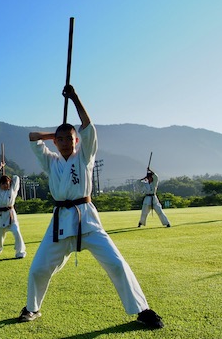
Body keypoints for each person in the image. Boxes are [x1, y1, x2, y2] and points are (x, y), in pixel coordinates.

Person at [18, 85, 164, 329]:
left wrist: (75, 98)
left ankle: (142, 310)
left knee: (117, 264)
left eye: (70, 139)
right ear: (55, 143)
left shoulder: (84, 156)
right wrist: (54, 134)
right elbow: (32, 136)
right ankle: (32, 308)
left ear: (77, 141)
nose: (66, 143)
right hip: (60, 223)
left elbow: (87, 126)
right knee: (37, 269)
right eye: (61, 140)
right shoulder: (50, 161)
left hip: (87, 220)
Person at [0, 161, 26, 258]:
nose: (6, 185)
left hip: (11, 215)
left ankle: (20, 251)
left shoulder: (12, 189)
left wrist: (8, 172)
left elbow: (16, 178)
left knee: (16, 231)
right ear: (0, 184)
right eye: (3, 184)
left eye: (7, 183)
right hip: (0, 215)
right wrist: (0, 167)